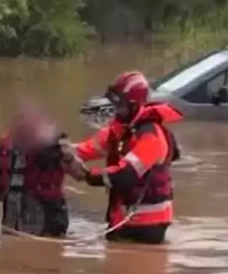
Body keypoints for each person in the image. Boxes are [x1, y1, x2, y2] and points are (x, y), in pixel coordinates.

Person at [64, 70, 184, 245]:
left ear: (134, 106)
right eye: (113, 105)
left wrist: (88, 175)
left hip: (148, 225)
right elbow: (86, 149)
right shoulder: (119, 130)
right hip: (122, 217)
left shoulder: (151, 136)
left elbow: (126, 174)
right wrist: (61, 149)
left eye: (120, 107)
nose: (116, 111)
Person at [0, 101, 72, 237]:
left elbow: (77, 170)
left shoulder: (53, 146)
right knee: (11, 244)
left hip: (45, 210)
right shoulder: (8, 145)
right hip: (14, 210)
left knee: (43, 247)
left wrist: (68, 157)